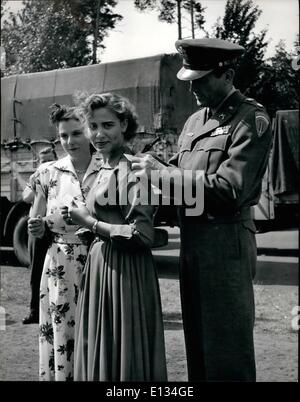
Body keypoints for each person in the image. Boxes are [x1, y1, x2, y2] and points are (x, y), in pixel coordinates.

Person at [131, 38, 273, 382]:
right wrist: (146, 172)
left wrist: (163, 175)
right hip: (193, 246)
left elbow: (229, 190)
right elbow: (179, 176)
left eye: (201, 78)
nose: (192, 86)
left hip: (225, 247)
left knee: (226, 348)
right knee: (198, 345)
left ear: (227, 74)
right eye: (190, 78)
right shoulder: (195, 121)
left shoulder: (250, 119)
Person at [61, 92, 167, 381]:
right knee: (101, 351)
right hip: (100, 269)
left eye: (107, 125)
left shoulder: (134, 169)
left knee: (123, 357)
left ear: (124, 125)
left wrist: (91, 224)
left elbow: (141, 234)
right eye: (93, 127)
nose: (98, 134)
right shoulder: (101, 167)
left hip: (126, 275)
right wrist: (89, 230)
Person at [28, 104, 102, 381]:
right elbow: (37, 220)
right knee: (62, 332)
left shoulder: (107, 167)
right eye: (63, 136)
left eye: (77, 133)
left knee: (95, 331)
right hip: (59, 264)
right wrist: (36, 226)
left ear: (89, 131)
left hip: (100, 262)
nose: (70, 141)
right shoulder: (48, 173)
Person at [22, 147, 58, 325]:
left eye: (50, 159)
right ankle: (35, 311)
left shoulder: (60, 176)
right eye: (43, 161)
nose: (46, 164)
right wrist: (35, 182)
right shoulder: (36, 177)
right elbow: (26, 198)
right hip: (36, 227)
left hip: (52, 225)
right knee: (36, 271)